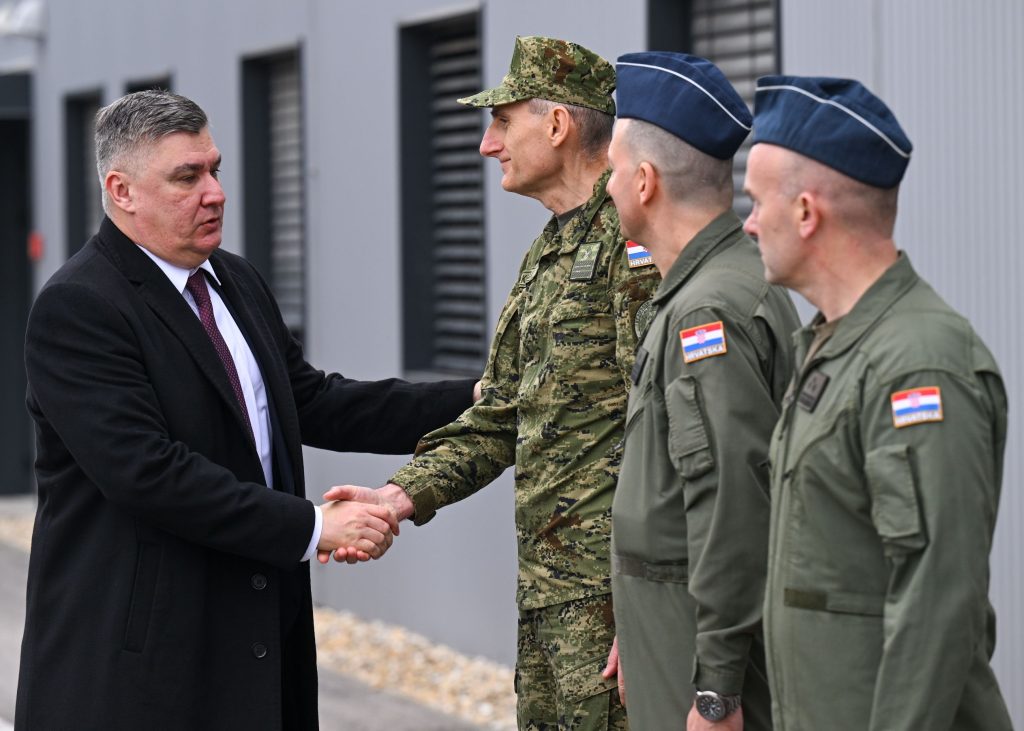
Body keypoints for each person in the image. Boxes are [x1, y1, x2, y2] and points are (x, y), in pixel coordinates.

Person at [15, 89, 477, 731]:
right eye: (187, 177)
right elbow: (147, 472)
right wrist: (314, 526)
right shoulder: (79, 306)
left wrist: (479, 398)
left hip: (255, 639)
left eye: (215, 169)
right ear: (122, 191)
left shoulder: (234, 281)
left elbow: (311, 400)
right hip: (142, 667)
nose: (215, 193)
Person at [325, 36, 660, 729]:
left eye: (502, 122)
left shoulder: (633, 243)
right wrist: (397, 496)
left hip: (612, 603)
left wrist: (653, 602)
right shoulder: (547, 250)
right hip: (549, 599)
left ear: (557, 124)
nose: (487, 145)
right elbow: (504, 412)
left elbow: (665, 429)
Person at [743, 76, 1013, 730]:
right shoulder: (833, 344)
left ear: (806, 212)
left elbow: (936, 605)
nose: (747, 222)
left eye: (754, 201)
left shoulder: (918, 363)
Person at [599, 53, 799, 731]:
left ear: (645, 181)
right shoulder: (710, 287)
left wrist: (716, 690)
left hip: (703, 654)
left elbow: (732, 505)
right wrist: (639, 624)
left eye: (613, 170)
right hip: (673, 628)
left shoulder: (705, 312)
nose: (607, 188)